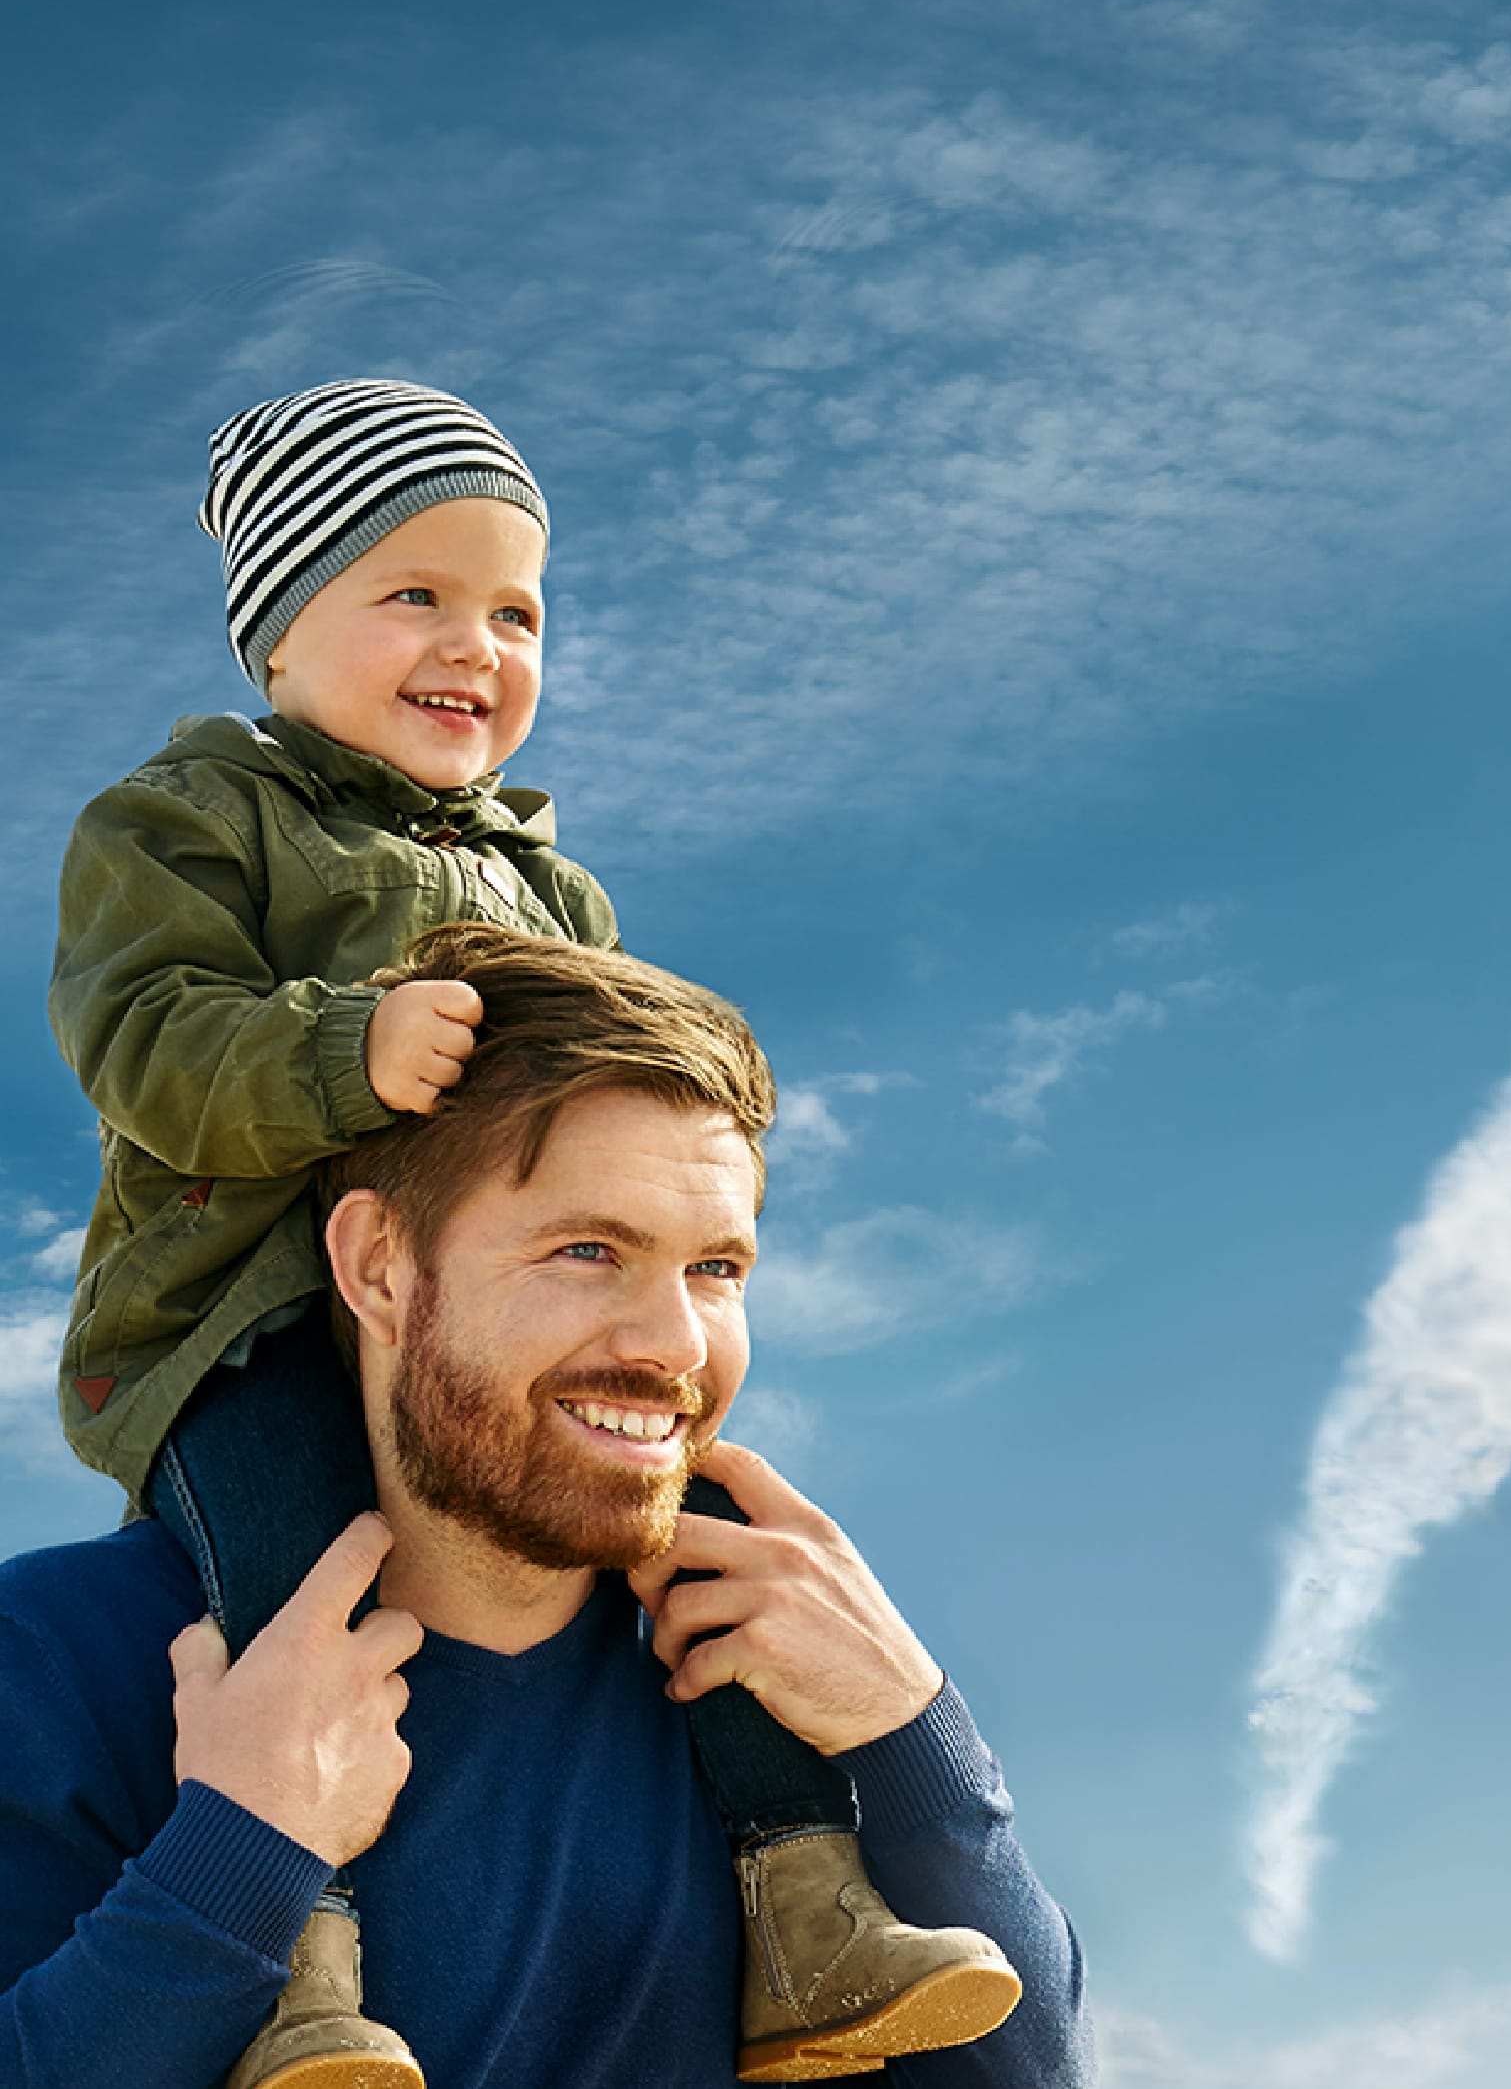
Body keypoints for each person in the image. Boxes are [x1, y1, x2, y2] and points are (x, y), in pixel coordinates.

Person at [45, 380, 1018, 2082]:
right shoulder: (191, 821)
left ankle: (805, 1904)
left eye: (514, 609)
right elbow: (144, 1041)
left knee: (708, 1538)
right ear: (277, 641)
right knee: (300, 1582)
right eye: (409, 593)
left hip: (418, 1364)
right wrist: (343, 1046)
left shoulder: (552, 894)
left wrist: (917, 1755)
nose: (474, 642)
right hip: (237, 1335)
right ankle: (311, 1975)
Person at [1, 923, 1094, 2088]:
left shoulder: (774, 1698)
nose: (673, 1343)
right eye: (586, 1250)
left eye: (716, 1270)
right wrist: (234, 1858)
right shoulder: (62, 1664)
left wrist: (913, 1733)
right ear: (378, 1266)